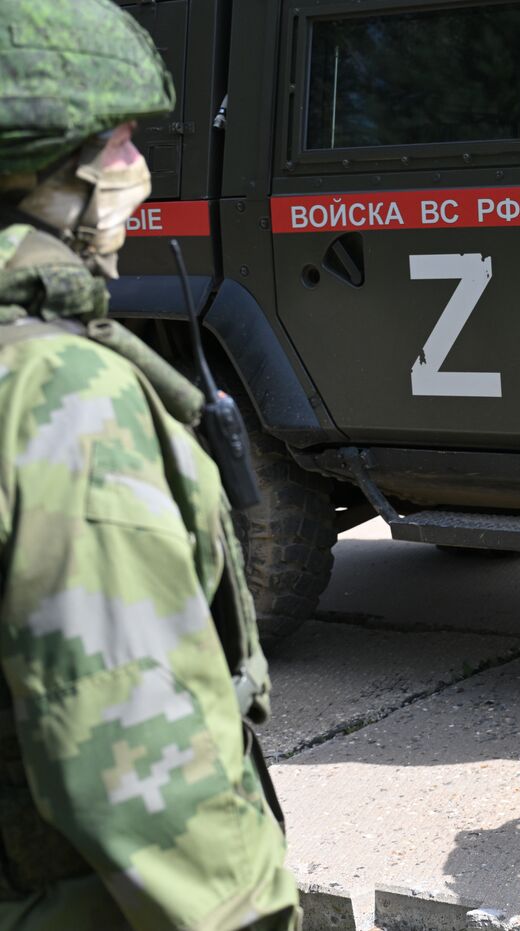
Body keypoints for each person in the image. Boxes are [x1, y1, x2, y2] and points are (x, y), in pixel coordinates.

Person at [0, 2, 299, 927]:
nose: (141, 171)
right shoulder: (62, 396)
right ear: (39, 173)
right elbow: (138, 764)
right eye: (119, 141)